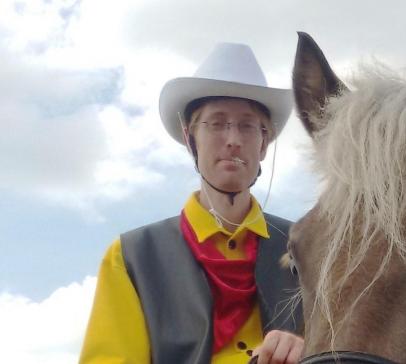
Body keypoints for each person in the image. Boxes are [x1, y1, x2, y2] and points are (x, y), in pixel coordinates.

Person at [80, 42, 304, 364]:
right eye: (216, 123)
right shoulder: (130, 256)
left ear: (264, 143)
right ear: (190, 139)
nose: (233, 139)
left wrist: (308, 349)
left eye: (247, 125)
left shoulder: (309, 249)